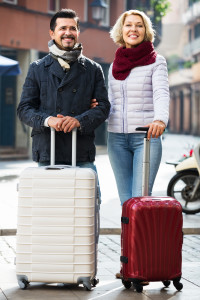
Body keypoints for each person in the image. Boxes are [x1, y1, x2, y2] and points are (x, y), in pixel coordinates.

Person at [92, 9, 169, 280]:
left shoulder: (156, 61)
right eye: (128, 25)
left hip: (145, 139)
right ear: (121, 30)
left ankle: (142, 265)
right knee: (127, 206)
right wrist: (98, 105)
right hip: (117, 139)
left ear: (145, 30)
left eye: (138, 25)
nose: (133, 29)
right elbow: (111, 100)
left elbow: (161, 93)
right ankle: (130, 264)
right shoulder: (114, 65)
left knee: (140, 203)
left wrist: (160, 119)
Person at [17, 9, 110, 182]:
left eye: (73, 28)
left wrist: (79, 121)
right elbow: (24, 109)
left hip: (81, 150)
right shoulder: (37, 68)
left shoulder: (93, 69)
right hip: (48, 148)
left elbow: (104, 107)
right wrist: (48, 120)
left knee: (88, 204)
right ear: (52, 33)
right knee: (51, 205)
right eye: (63, 28)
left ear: (78, 32)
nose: (68, 33)